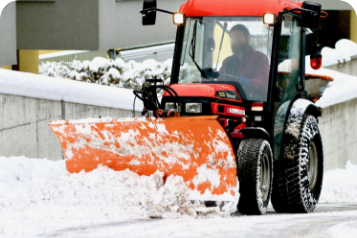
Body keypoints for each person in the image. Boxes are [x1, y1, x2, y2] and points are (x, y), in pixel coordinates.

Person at [219, 24, 270, 99]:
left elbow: (264, 82)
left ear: (248, 38)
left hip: (251, 101)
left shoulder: (259, 58)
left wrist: (249, 82)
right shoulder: (227, 61)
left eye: (238, 37)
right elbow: (220, 79)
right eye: (232, 37)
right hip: (230, 100)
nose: (234, 40)